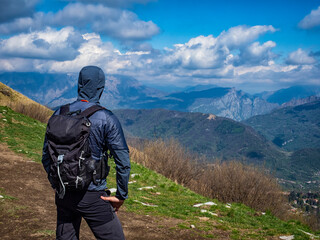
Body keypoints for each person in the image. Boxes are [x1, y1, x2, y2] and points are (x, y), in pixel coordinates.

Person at [41, 66, 131, 240]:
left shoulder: (59, 113)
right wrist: (121, 195)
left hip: (64, 194)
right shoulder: (106, 118)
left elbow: (46, 156)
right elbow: (123, 162)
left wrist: (58, 182)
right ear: (101, 88)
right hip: (93, 196)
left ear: (79, 85)